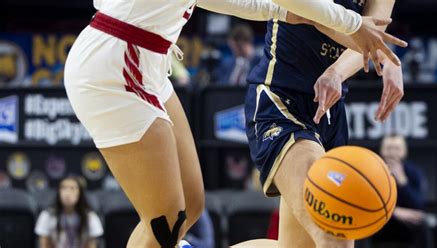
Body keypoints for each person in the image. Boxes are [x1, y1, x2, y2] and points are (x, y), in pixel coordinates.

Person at [64, 0, 406, 247]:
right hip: (115, 63)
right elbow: (333, 20)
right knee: (166, 219)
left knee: (192, 205)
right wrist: (349, 23)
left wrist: (376, 51)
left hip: (149, 61)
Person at [235, 0, 407, 247]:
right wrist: (380, 51)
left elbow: (373, 33)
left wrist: (339, 70)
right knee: (333, 233)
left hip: (329, 110)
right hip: (281, 99)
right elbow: (309, 13)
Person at [372, 134, 427, 247]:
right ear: (382, 150)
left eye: (397, 148)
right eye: (388, 148)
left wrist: (402, 180)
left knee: (421, 222)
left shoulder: (413, 171)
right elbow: (367, 202)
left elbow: (418, 204)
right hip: (380, 221)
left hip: (408, 225)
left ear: (404, 151)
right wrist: (394, 212)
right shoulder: (372, 169)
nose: (393, 152)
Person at [35, 176, 103, 248]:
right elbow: (44, 245)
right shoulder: (47, 216)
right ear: (58, 192)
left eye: (72, 188)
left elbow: (91, 245)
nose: (67, 193)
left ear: (80, 193)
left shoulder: (90, 217)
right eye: (63, 188)